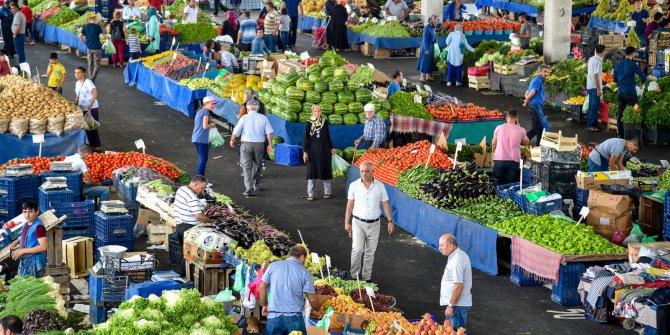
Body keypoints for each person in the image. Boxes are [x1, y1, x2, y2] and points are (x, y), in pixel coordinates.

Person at [344, 161, 394, 281]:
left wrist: (390, 220)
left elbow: (385, 203)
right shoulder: (354, 185)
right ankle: (354, 276)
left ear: (373, 172)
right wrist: (347, 222)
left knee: (370, 253)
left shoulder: (380, 186)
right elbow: (350, 205)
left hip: (374, 224)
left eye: (367, 171)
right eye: (362, 171)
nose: (364, 174)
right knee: (357, 250)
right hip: (358, 223)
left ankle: (367, 278)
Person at [260, 245, 323, 335]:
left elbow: (262, 287)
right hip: (294, 320)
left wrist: (264, 304)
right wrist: (319, 309)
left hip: (274, 317)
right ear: (302, 257)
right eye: (304, 260)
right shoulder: (305, 273)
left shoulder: (273, 266)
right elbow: (312, 299)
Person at [230, 100, 273, 197]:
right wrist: (270, 144)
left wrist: (232, 140)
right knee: (257, 165)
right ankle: (256, 185)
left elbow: (236, 131)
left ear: (247, 108)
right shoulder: (263, 118)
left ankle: (248, 189)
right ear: (257, 108)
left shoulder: (244, 118)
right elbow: (269, 133)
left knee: (247, 167)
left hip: (246, 145)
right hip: (260, 145)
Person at [173, 175, 212, 275]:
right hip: (189, 228)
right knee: (189, 255)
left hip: (180, 226)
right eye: (202, 188)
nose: (202, 191)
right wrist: (211, 221)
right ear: (196, 184)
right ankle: (185, 277)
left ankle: (184, 276)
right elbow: (199, 216)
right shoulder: (192, 197)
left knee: (185, 253)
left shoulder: (182, 189)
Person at [438, 234, 472, 332]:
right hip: (457, 305)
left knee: (456, 332)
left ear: (450, 246)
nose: (439, 248)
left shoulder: (457, 260)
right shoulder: (457, 255)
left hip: (457, 306)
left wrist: (451, 306)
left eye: (441, 245)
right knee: (449, 331)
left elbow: (459, 286)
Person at [302, 105, 336, 201]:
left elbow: (328, 136)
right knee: (311, 171)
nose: (317, 113)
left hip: (325, 150)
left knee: (325, 169)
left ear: (321, 112)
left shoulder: (324, 122)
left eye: (319, 111)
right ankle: (311, 193)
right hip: (312, 151)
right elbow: (305, 138)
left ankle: (327, 191)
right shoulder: (309, 123)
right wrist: (304, 152)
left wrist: (332, 147)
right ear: (312, 112)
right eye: (315, 111)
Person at [614, 46, 646, 138]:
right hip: (631, 94)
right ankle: (638, 132)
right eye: (635, 53)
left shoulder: (618, 65)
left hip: (621, 94)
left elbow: (615, 79)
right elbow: (643, 76)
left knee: (620, 113)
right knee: (636, 109)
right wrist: (642, 84)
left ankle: (620, 134)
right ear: (632, 53)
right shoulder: (633, 65)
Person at [9, 201, 47, 278]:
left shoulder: (39, 227)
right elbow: (25, 235)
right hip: (26, 260)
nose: (27, 215)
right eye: (25, 212)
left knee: (35, 286)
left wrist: (22, 250)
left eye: (30, 212)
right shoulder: (26, 224)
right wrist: (16, 241)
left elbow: (44, 247)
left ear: (36, 212)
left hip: (36, 262)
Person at [491, 110, 529, 186]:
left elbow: (493, 143)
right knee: (509, 185)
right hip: (514, 161)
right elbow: (526, 142)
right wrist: (518, 126)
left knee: (497, 183)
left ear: (506, 117)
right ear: (516, 118)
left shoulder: (499, 128)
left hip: (499, 159)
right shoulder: (521, 130)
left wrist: (493, 153)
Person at [74, 67, 102, 149]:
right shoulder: (77, 83)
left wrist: (90, 104)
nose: (77, 74)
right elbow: (77, 96)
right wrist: (74, 104)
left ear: (84, 73)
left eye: (79, 73)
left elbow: (95, 94)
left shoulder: (88, 82)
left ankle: (96, 146)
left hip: (91, 108)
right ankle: (89, 146)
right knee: (85, 128)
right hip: (81, 108)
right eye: (75, 73)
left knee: (92, 127)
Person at [523, 64, 551, 146]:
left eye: (547, 72)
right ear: (539, 72)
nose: (546, 73)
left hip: (536, 106)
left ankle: (539, 145)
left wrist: (527, 99)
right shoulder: (538, 80)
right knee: (536, 128)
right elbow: (532, 92)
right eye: (544, 71)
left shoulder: (535, 80)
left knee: (541, 127)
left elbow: (527, 92)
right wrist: (527, 100)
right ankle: (522, 142)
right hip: (535, 107)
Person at [192, 97, 218, 176]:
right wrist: (212, 124)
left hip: (196, 138)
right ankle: (200, 180)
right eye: (212, 104)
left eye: (214, 104)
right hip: (202, 139)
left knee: (201, 159)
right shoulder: (206, 112)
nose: (213, 105)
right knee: (203, 159)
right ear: (206, 104)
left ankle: (200, 179)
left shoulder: (200, 111)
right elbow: (205, 126)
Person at [586, 45, 605, 132]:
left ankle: (591, 124)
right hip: (594, 86)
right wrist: (598, 89)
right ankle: (590, 125)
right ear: (602, 52)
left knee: (591, 106)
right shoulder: (597, 61)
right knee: (594, 106)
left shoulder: (591, 59)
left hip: (590, 85)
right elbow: (596, 76)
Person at [79, 13, 103, 81]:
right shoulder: (98, 27)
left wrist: (85, 42)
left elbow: (80, 36)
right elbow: (102, 36)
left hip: (89, 47)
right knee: (97, 64)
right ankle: (92, 79)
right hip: (97, 48)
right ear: (95, 19)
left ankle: (90, 78)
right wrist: (107, 37)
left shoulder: (85, 26)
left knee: (90, 63)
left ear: (89, 20)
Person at [417, 15, 438, 81]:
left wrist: (435, 41)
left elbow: (433, 36)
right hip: (426, 46)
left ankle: (428, 76)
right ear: (431, 21)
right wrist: (426, 49)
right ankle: (422, 76)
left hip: (431, 46)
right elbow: (425, 39)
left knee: (430, 62)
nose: (436, 23)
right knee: (425, 61)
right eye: (435, 22)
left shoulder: (433, 28)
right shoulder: (427, 27)